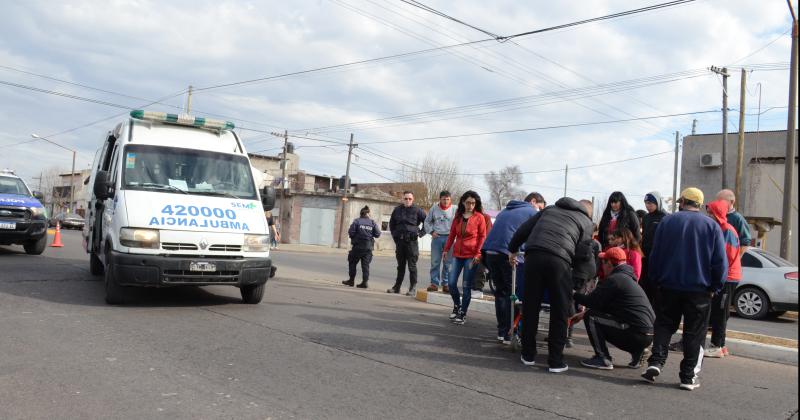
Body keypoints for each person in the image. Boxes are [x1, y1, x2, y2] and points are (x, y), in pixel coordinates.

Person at [642, 187, 727, 391]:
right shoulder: (711, 226)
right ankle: (688, 377)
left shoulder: (667, 221)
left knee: (663, 325)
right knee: (694, 333)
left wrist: (655, 280)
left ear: (682, 202)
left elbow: (656, 255)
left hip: (668, 285)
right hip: (699, 289)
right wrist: (716, 285)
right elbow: (719, 262)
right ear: (699, 204)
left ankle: (656, 362)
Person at [508, 197, 594, 373]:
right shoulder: (586, 222)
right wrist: (576, 283)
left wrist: (513, 249)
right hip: (559, 260)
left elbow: (524, 229)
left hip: (533, 255)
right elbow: (583, 254)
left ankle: (528, 355)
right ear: (588, 213)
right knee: (559, 310)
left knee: (531, 306)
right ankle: (555, 361)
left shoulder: (550, 209)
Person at [573, 247, 655, 370]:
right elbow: (607, 306)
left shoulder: (615, 280)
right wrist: (583, 313)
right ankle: (638, 352)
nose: (601, 265)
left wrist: (573, 294)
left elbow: (592, 302)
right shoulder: (628, 279)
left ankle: (602, 358)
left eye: (603, 262)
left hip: (634, 332)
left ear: (610, 263)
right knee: (593, 315)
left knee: (592, 318)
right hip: (648, 333)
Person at [482, 192, 540, 342]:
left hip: (490, 252)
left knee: (500, 293)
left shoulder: (506, 210)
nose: (540, 211)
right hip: (507, 253)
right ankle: (510, 332)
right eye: (540, 207)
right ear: (533, 201)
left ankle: (502, 331)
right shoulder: (531, 212)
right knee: (513, 294)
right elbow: (533, 237)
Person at [443, 191, 488, 325]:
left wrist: (478, 254)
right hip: (457, 254)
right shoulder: (457, 217)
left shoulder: (479, 217)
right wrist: (446, 249)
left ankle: (463, 313)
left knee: (466, 286)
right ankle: (457, 306)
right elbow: (451, 235)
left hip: (471, 256)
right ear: (463, 202)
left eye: (473, 203)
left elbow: (482, 237)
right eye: (468, 202)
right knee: (451, 283)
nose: (470, 205)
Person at [705, 199, 742, 358]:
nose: (708, 215)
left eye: (710, 212)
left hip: (726, 277)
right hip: (726, 276)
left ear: (717, 213)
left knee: (720, 312)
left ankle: (717, 346)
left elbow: (725, 257)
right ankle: (722, 345)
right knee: (721, 311)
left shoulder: (726, 230)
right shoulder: (721, 228)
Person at [388, 191, 427, 296]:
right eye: (406, 198)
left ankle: (412, 288)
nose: (408, 200)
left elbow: (427, 222)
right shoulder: (397, 210)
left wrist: (421, 233)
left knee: (412, 266)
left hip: (412, 243)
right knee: (400, 266)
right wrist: (395, 235)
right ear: (402, 199)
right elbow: (391, 224)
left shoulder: (418, 210)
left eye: (410, 199)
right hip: (400, 242)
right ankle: (397, 287)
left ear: (413, 199)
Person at [343, 206, 381, 289]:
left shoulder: (357, 221)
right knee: (365, 266)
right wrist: (370, 234)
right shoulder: (372, 222)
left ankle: (351, 281)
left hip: (357, 246)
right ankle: (364, 282)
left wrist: (356, 237)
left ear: (361, 213)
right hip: (368, 247)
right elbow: (378, 234)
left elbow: (351, 232)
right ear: (368, 213)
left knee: (352, 263)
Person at [424, 191, 455, 292]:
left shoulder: (455, 209)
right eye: (443, 199)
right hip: (437, 238)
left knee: (448, 263)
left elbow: (459, 223)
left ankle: (446, 284)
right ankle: (434, 284)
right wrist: (431, 232)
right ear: (440, 199)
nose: (446, 201)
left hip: (450, 238)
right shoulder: (434, 208)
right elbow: (427, 221)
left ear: (450, 200)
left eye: (447, 199)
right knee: (435, 262)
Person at [640, 191, 667, 306]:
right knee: (645, 285)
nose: (647, 206)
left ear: (658, 202)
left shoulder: (665, 217)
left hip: (659, 257)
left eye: (650, 203)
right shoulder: (646, 218)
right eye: (646, 203)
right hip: (645, 256)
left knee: (656, 287)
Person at [715, 189, 752, 254]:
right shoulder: (715, 216)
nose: (718, 204)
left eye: (721, 201)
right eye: (717, 201)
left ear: (732, 202)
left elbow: (745, 242)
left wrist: (735, 259)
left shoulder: (738, 219)